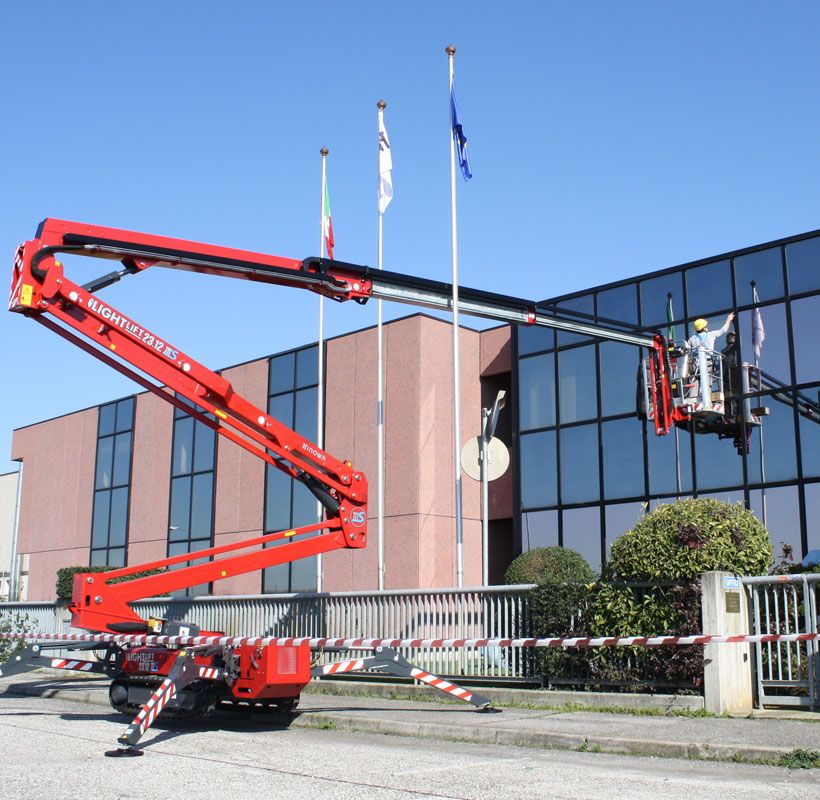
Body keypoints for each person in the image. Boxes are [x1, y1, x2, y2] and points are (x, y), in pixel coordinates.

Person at [685, 313, 735, 406]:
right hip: (706, 362)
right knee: (707, 380)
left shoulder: (692, 339)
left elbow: (687, 351)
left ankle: (693, 401)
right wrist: (729, 319)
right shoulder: (710, 335)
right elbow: (723, 330)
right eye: (706, 326)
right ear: (704, 328)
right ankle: (706, 400)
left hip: (694, 363)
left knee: (695, 380)